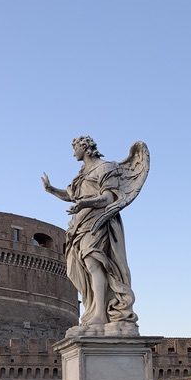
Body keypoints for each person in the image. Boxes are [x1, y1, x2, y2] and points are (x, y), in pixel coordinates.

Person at [42, 136, 149, 328]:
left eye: (75, 147)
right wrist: (51, 190)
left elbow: (108, 198)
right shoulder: (83, 173)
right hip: (80, 224)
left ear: (85, 147)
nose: (73, 152)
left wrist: (85, 203)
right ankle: (93, 309)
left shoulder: (106, 168)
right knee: (83, 268)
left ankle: (100, 313)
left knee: (94, 264)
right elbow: (71, 195)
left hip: (99, 221)